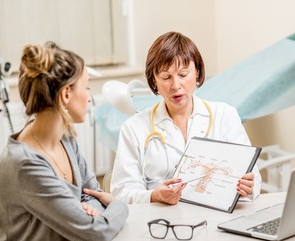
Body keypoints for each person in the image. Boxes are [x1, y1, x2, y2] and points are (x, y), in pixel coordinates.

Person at [0, 42, 128, 241]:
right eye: (86, 87)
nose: (89, 96)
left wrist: (85, 215)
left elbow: (92, 192)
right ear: (66, 94)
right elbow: (95, 231)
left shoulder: (65, 138)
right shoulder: (24, 165)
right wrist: (118, 205)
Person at [110, 31, 262, 205]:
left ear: (197, 72)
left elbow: (254, 179)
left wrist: (248, 187)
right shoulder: (134, 128)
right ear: (154, 81)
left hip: (214, 220)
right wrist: (155, 195)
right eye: (166, 77)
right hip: (159, 223)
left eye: (183, 74)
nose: (176, 85)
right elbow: (122, 192)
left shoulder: (225, 116)